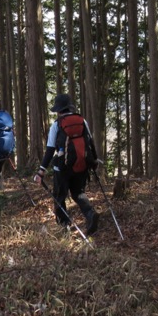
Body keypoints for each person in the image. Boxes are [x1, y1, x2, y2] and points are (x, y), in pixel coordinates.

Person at [34, 93, 99, 235]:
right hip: (81, 165)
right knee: (78, 193)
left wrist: (41, 171)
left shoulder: (57, 125)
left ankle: (64, 227)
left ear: (59, 110)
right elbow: (91, 142)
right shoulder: (82, 121)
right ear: (70, 107)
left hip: (62, 168)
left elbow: (50, 150)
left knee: (59, 196)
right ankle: (90, 214)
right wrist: (94, 161)